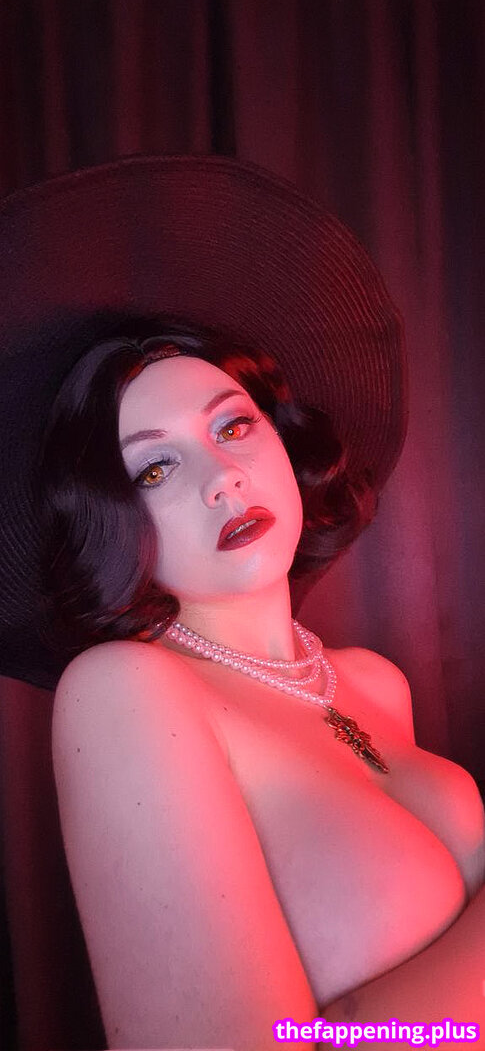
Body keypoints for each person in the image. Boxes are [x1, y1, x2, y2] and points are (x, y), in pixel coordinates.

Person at [0, 155, 483, 1051]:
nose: (220, 477)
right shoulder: (125, 690)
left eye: (232, 425)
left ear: (284, 445)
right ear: (111, 518)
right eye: (154, 467)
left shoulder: (373, 683)